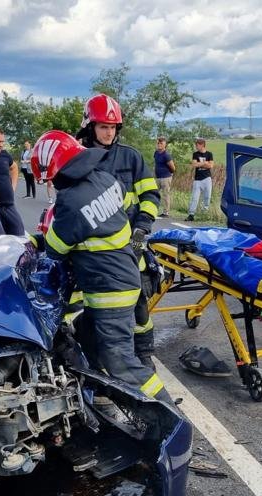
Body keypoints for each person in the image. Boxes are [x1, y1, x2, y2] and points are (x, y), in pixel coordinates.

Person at [31, 130, 170, 403]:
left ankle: (168, 417)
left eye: (50, 178)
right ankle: (98, 394)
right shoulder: (105, 180)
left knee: (119, 360)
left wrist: (37, 241)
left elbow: (56, 250)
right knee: (84, 333)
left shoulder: (71, 201)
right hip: (126, 276)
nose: (53, 184)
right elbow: (101, 220)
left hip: (110, 292)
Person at [76, 94, 160, 366]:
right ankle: (94, 356)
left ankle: (144, 354)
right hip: (94, 245)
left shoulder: (131, 157)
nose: (109, 132)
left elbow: (150, 195)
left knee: (137, 299)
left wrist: (142, 227)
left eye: (112, 127)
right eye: (103, 126)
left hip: (131, 241)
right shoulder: (79, 158)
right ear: (90, 127)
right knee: (93, 300)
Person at [0, 130, 26, 237]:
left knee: (19, 235)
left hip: (9, 205)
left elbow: (14, 167)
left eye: (2, 142)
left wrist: (13, 187)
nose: (1, 145)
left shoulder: (5, 155)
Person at [186, 137, 214, 221]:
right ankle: (191, 214)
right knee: (195, 197)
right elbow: (194, 165)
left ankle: (204, 214)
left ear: (202, 145)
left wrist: (200, 164)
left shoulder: (209, 154)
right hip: (197, 179)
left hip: (207, 178)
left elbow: (211, 165)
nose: (196, 147)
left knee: (207, 197)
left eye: (197, 145)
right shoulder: (195, 154)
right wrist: (205, 163)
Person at [154, 136, 176, 217]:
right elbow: (156, 164)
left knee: (165, 195)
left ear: (165, 144)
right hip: (158, 177)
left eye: (161, 143)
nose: (159, 144)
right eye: (158, 143)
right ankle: (154, 209)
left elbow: (173, 167)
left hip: (166, 177)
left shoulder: (166, 155)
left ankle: (166, 212)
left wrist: (170, 174)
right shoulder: (156, 153)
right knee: (155, 193)